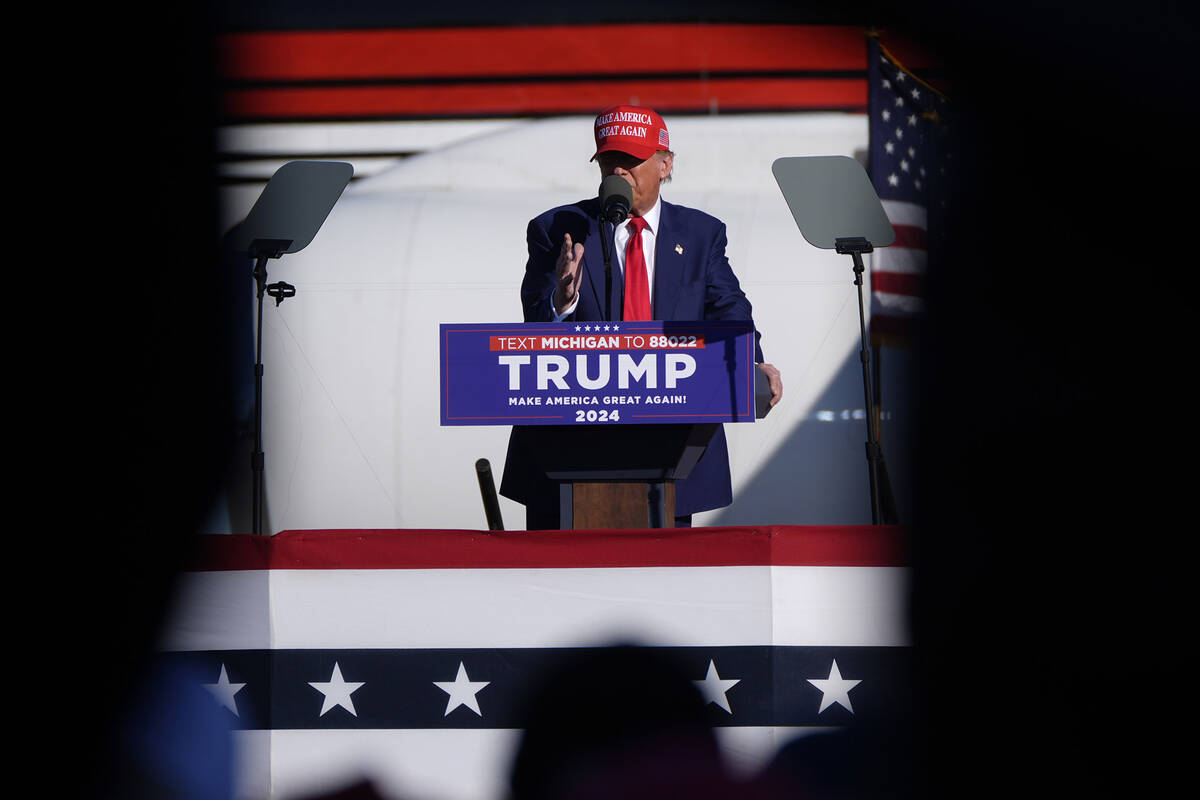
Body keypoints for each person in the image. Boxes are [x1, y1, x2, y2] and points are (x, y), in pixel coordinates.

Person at [500, 104, 782, 529]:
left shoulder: (701, 235)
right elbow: (535, 325)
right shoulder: (557, 229)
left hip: (668, 451)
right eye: (609, 161)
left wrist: (751, 360)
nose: (619, 172)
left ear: (665, 165)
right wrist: (562, 301)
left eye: (631, 161)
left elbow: (729, 308)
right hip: (570, 452)